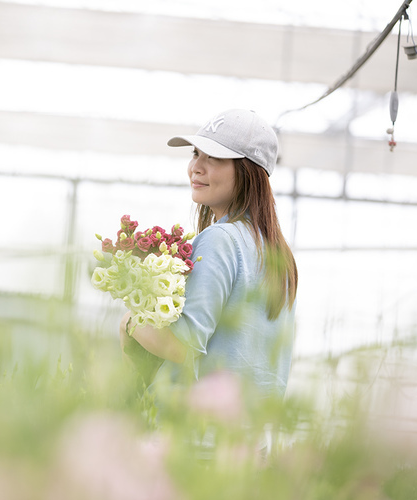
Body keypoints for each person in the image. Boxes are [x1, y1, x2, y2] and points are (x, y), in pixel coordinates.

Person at [120, 109, 298, 418]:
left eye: (214, 158)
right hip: (247, 440)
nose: (196, 168)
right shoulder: (276, 256)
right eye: (195, 154)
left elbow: (182, 345)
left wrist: (132, 321)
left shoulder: (221, 240)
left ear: (247, 170)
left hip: (196, 441)